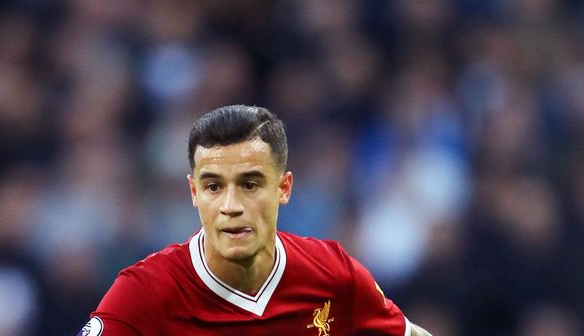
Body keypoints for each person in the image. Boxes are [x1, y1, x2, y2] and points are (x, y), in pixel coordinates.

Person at [77, 105, 432, 335]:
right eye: (213, 186)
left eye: (249, 184)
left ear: (284, 187)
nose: (231, 205)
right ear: (194, 193)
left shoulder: (333, 275)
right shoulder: (145, 294)